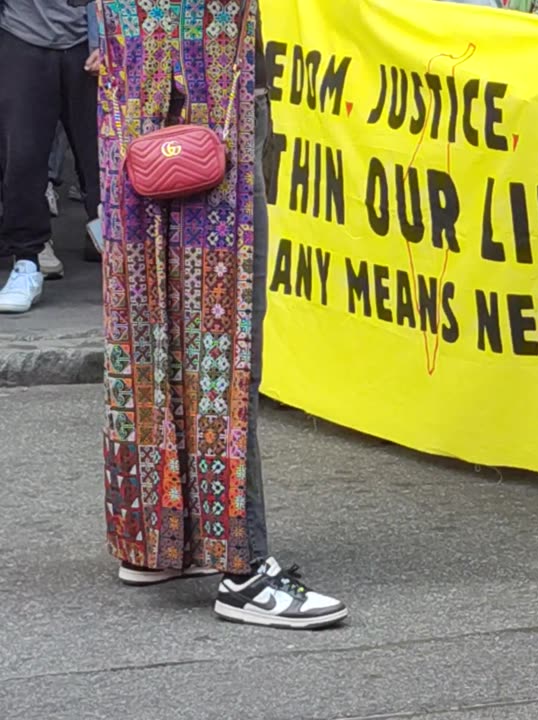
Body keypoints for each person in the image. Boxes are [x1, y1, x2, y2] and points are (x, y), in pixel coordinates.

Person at [95, 0, 347, 630]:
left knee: (152, 331)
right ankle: (245, 569)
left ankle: (158, 540)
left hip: (136, 113)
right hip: (202, 110)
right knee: (221, 346)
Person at [0, 0, 101, 312]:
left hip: (90, 41)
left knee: (104, 157)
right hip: (21, 35)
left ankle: (127, 267)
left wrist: (110, 38)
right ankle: (27, 263)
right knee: (23, 158)